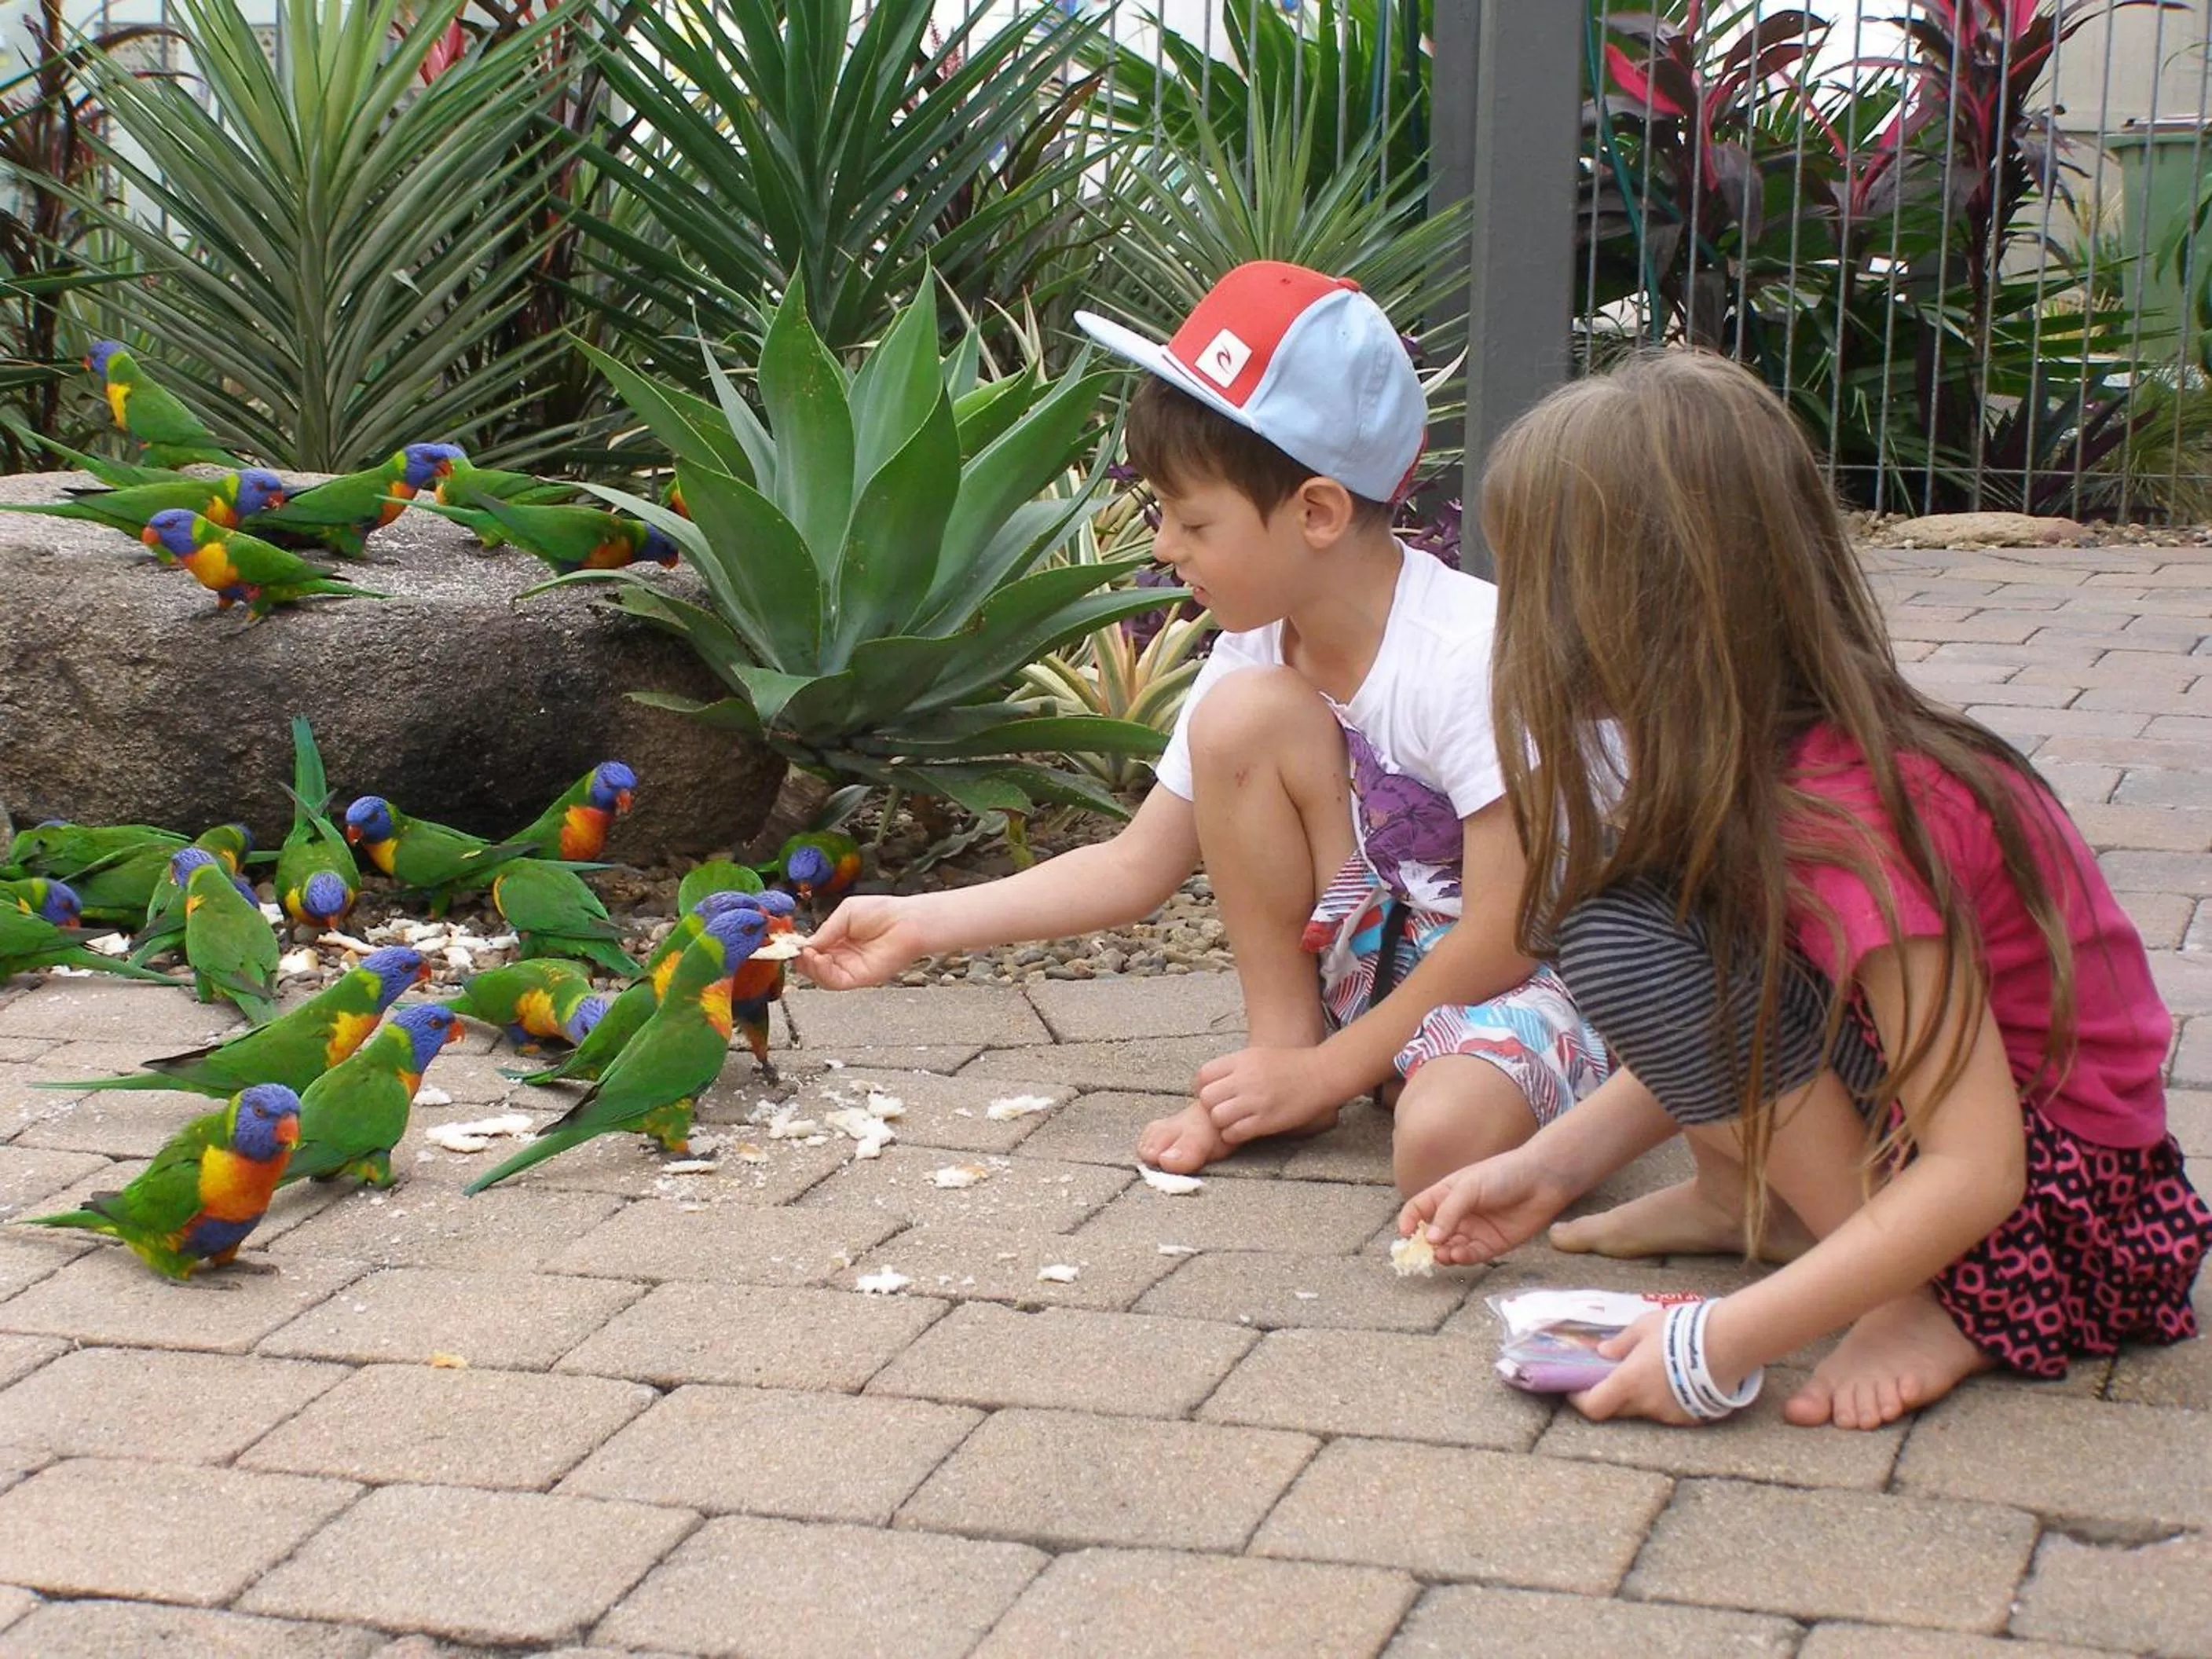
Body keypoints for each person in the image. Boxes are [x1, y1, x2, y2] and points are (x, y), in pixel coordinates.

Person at [1401, 350, 2210, 1430]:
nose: (1520, 619)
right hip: (1994, 1152)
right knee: (1639, 922)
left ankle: (1917, 1298)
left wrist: (1718, 1340)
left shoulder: (1855, 818)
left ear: (1650, 605)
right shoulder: (1757, 758)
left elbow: (1978, 1168)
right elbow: (1746, 1003)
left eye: (1547, 577)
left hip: (2066, 1221)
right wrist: (1550, 1166)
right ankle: (1780, 1212)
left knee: (1635, 937)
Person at [800, 260, 1610, 1192]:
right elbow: (1136, 865)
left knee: (1441, 1146)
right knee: (1242, 720)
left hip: (1547, 966)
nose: (1162, 547)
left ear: (1314, 512)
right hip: (1398, 954)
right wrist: (914, 923)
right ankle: (1288, 1051)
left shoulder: (1468, 655)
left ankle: (1403, 1073)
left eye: (1191, 519)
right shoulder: (1260, 648)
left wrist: (1335, 1075)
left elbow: (1509, 927)